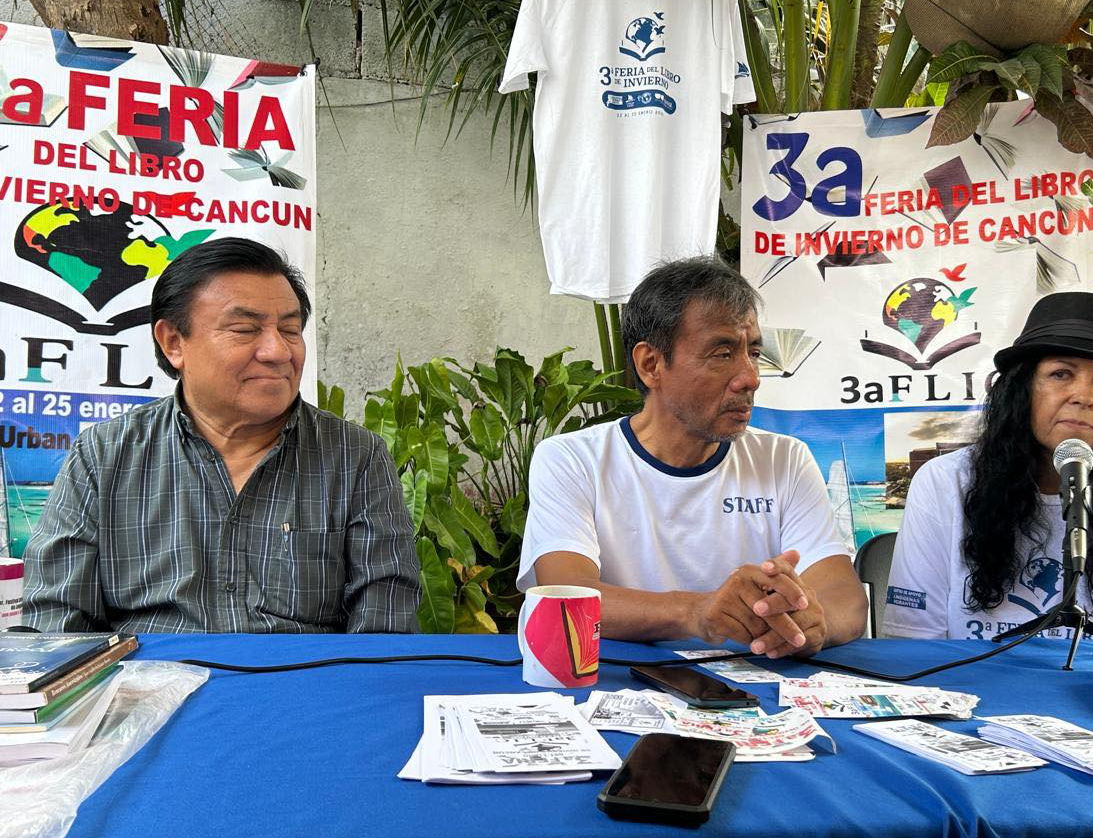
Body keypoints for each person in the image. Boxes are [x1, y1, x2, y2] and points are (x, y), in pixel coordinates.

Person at [23, 237, 422, 633]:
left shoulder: (355, 457)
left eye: (290, 329)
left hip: (303, 673)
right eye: (245, 329)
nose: (277, 351)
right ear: (174, 343)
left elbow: (384, 628)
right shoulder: (104, 454)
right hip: (147, 673)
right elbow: (54, 626)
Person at [518, 256, 867, 657]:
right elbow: (567, 595)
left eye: (753, 352)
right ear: (651, 365)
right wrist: (697, 612)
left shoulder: (783, 459)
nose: (750, 378)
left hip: (752, 683)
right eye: (722, 353)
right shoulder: (572, 460)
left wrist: (810, 623)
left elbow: (845, 598)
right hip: (610, 680)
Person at [881, 290, 1093, 641]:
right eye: (1061, 374)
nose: (1084, 396)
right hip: (971, 676)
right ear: (1021, 388)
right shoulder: (946, 483)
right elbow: (914, 642)